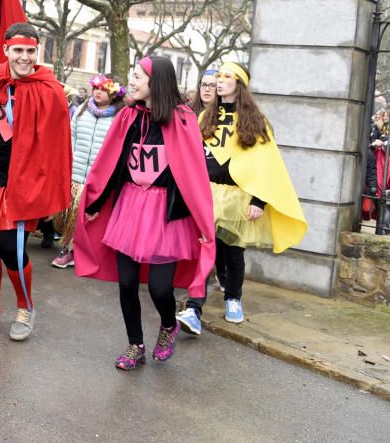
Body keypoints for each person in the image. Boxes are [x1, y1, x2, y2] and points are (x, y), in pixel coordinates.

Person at [72, 56, 215, 370]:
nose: (131, 82)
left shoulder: (183, 118)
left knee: (160, 288)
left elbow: (193, 174)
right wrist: (95, 205)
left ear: (156, 83)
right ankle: (135, 345)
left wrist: (202, 220)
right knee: (126, 284)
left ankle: (167, 325)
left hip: (167, 212)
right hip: (131, 206)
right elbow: (111, 164)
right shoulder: (128, 116)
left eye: (137, 77)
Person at [176, 62, 307, 334]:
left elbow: (268, 165)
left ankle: (233, 297)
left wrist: (259, 201)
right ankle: (194, 308)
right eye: (218, 77)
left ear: (239, 84)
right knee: (205, 249)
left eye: (227, 77)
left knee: (233, 252)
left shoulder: (255, 121)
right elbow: (191, 156)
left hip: (237, 197)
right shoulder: (205, 118)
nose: (220, 82)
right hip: (207, 193)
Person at [0, 22, 71, 341]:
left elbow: (57, 147)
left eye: (30, 51)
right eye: (18, 50)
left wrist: (49, 192)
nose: (24, 57)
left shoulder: (50, 90)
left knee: (12, 248)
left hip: (21, 184)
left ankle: (25, 306)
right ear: (6, 49)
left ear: (37, 52)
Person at [51, 73, 126, 269]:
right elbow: (71, 138)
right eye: (96, 88)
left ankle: (80, 253)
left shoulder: (120, 117)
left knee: (90, 220)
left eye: (103, 89)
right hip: (75, 174)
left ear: (114, 93)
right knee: (71, 218)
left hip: (98, 181)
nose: (98, 92)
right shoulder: (82, 110)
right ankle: (69, 249)